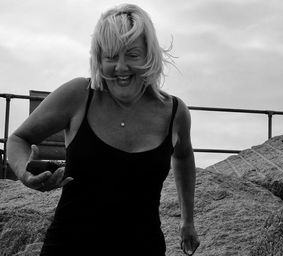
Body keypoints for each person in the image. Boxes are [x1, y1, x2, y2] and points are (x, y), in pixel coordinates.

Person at [7, 3, 199, 256]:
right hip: (70, 246)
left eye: (132, 55)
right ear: (98, 59)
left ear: (149, 55)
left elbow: (184, 157)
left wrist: (187, 220)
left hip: (143, 246)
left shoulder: (175, 112)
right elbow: (18, 139)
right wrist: (24, 173)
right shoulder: (78, 95)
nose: (120, 68)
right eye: (110, 56)